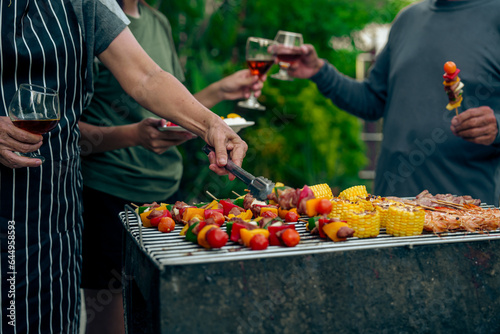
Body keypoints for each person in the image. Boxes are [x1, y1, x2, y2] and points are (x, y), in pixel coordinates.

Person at [0, 0, 247, 333]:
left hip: (57, 206)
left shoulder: (84, 4)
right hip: (7, 200)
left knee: (55, 317)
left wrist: (210, 124)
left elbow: (146, 75)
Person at [78, 1, 263, 333]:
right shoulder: (87, 14)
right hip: (109, 194)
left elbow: (166, 98)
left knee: (161, 313)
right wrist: (131, 135)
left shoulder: (157, 21)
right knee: (111, 321)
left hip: (166, 194)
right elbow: (62, 129)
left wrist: (220, 94)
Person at [289, 0, 500, 205]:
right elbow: (371, 101)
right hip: (389, 209)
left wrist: (497, 127)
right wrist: (319, 71)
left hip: (465, 220)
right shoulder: (408, 19)